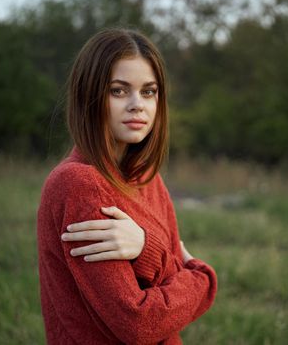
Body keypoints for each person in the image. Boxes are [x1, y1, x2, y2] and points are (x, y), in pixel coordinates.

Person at [36, 28, 217, 345]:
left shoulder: (147, 177)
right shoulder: (79, 184)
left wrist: (145, 248)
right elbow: (139, 323)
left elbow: (170, 276)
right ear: (88, 97)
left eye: (149, 92)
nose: (138, 105)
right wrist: (201, 281)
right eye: (119, 91)